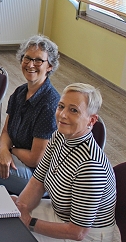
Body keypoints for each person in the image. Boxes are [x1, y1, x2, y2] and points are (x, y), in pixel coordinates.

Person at [13, 83, 116, 241]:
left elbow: (77, 232)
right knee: (8, 214)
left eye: (73, 110)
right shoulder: (59, 136)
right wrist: (21, 207)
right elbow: (37, 182)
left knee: (11, 233)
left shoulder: (91, 166)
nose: (62, 115)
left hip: (87, 235)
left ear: (92, 120)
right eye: (61, 106)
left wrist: (28, 222)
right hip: (60, 215)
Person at [0, 35, 60, 195]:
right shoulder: (19, 92)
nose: (30, 64)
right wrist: (3, 149)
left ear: (50, 66)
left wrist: (9, 151)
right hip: (17, 161)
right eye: (27, 58)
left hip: (37, 178)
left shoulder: (50, 104)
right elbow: (6, 132)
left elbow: (35, 159)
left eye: (38, 61)